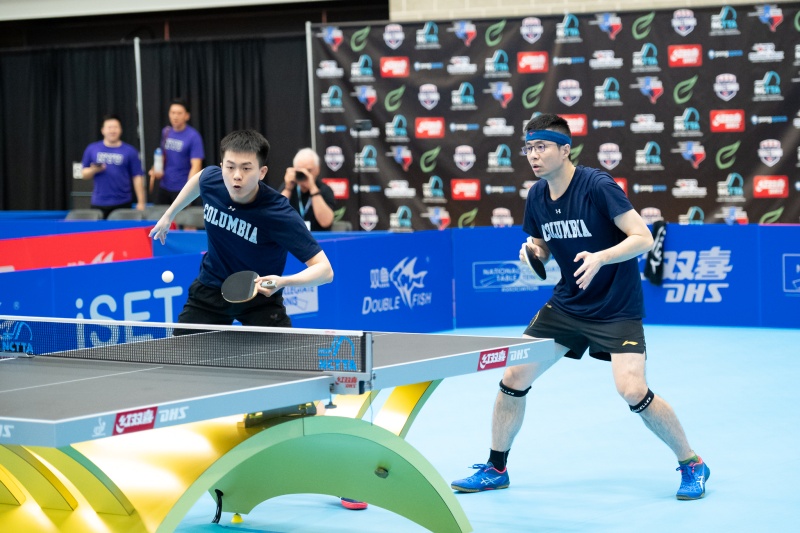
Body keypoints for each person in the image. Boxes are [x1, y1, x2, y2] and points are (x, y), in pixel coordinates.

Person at [450, 114, 709, 500]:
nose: (533, 156)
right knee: (514, 377)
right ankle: (496, 467)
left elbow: (642, 237)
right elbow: (543, 242)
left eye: (541, 147)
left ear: (565, 150)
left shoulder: (598, 186)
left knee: (632, 389)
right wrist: (533, 251)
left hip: (616, 307)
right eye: (529, 148)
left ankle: (692, 463)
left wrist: (602, 257)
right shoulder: (537, 195)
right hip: (568, 305)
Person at [149, 129, 332, 328]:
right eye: (230, 167)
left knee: (279, 359)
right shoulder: (213, 179)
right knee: (181, 357)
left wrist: (282, 282)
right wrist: (170, 214)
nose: (236, 176)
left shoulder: (278, 213)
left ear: (262, 172)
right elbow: (199, 179)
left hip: (260, 299)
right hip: (209, 291)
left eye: (246, 168)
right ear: (221, 167)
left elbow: (325, 270)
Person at [80, 114, 146, 218]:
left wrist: (141, 202)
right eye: (109, 127)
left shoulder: (130, 151)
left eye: (115, 127)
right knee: (98, 233)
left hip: (123, 202)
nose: (112, 131)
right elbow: (84, 174)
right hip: (99, 202)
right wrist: (94, 170)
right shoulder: (92, 149)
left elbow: (137, 176)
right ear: (103, 130)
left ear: (120, 130)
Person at [149, 98, 205, 205]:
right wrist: (155, 169)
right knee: (161, 218)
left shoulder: (193, 136)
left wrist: (189, 192)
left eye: (179, 113)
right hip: (164, 186)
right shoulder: (166, 132)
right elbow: (162, 155)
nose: (175, 116)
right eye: (172, 112)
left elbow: (196, 166)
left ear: (187, 116)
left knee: (182, 220)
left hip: (181, 188)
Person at [278, 148, 336, 231]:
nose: (305, 174)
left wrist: (313, 188)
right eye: (300, 170)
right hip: (291, 238)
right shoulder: (288, 187)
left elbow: (326, 222)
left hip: (317, 239)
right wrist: (288, 189)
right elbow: (275, 215)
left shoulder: (324, 190)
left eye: (309, 170)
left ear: (317, 169)